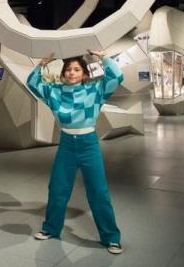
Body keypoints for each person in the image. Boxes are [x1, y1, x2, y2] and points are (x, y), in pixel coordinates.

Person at [27, 50, 124, 255]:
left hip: (89, 144)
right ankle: (51, 229)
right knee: (57, 188)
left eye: (76, 69)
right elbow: (32, 82)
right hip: (66, 145)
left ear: (84, 73)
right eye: (68, 69)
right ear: (63, 73)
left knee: (98, 192)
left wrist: (102, 57)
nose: (71, 73)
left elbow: (117, 76)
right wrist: (42, 63)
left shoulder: (95, 89)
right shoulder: (54, 91)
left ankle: (111, 238)